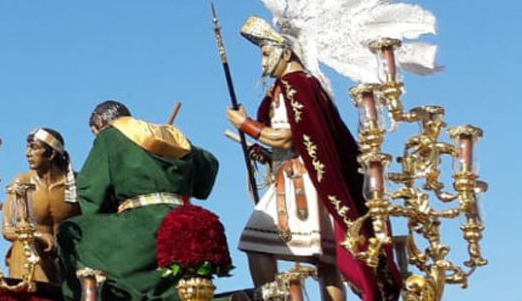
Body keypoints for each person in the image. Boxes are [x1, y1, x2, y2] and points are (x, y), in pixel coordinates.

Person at [228, 16, 401, 301]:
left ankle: (270, 298)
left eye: (265, 53)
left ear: (285, 52)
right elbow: (307, 138)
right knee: (326, 260)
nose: (262, 63)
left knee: (255, 242)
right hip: (312, 178)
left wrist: (246, 124)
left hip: (299, 183)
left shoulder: (292, 85)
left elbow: (287, 136)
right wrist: (269, 154)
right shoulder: (309, 85)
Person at [56, 101, 219, 300]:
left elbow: (92, 191)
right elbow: (208, 166)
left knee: (71, 230)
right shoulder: (168, 134)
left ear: (99, 122)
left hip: (143, 224)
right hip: (187, 218)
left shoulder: (109, 135)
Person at [1, 128, 79, 283]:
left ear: (50, 154)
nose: (27, 153)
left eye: (34, 147)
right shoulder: (22, 183)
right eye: (27, 147)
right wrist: (39, 236)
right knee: (23, 245)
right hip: (32, 257)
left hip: (71, 258)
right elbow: (8, 229)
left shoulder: (77, 184)